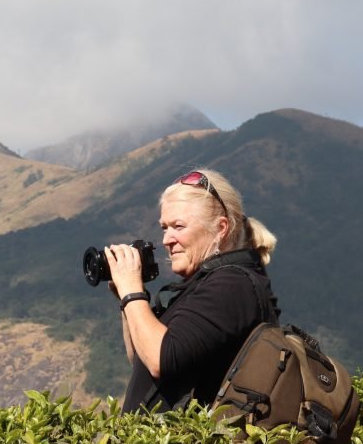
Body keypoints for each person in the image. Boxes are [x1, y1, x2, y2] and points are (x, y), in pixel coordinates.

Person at [105, 168, 280, 413]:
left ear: (221, 228)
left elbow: (160, 360)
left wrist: (132, 292)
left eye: (178, 226)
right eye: (165, 227)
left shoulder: (231, 285)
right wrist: (128, 300)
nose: (167, 239)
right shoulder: (204, 283)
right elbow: (142, 359)